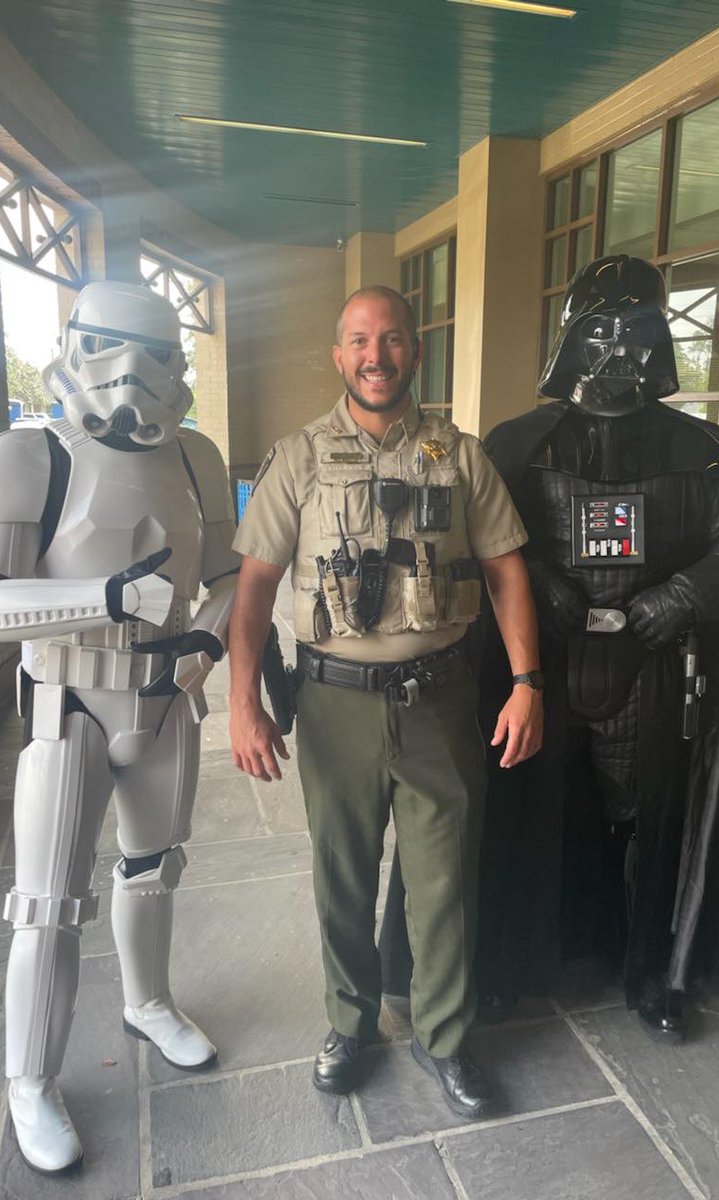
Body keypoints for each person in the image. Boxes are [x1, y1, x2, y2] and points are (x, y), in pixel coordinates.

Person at [228, 285, 542, 1118]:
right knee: (342, 875)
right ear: (339, 356)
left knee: (445, 882)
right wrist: (242, 704)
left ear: (415, 349)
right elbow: (253, 593)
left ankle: (446, 1039)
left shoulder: (458, 455)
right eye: (361, 341)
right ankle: (349, 1025)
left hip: (441, 701)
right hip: (334, 703)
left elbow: (509, 569)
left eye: (393, 338)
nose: (377, 355)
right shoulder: (296, 458)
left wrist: (527, 682)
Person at [0, 281, 239, 1173]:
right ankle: (31, 1079)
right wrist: (105, 597)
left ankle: (148, 1001)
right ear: (76, 345)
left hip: (165, 698)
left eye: (155, 352)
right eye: (112, 346)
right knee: (46, 904)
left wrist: (204, 650)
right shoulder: (25, 457)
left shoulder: (198, 457)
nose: (133, 373)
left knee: (155, 869)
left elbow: (234, 575)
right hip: (68, 702)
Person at [481, 255, 719, 1036]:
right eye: (600, 331)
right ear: (572, 337)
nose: (618, 351)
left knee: (649, 823)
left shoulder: (703, 455)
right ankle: (515, 961)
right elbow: (484, 549)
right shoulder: (519, 446)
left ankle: (652, 973)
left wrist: (678, 597)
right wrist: (540, 584)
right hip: (545, 668)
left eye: (638, 332)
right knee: (532, 808)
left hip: (651, 670)